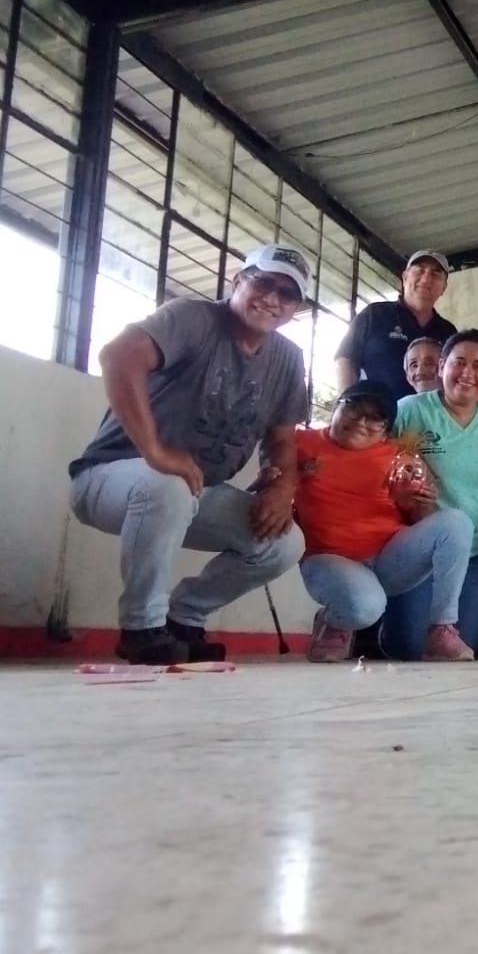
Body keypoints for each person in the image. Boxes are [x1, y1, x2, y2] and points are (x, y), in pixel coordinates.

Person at [68, 244, 311, 665]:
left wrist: (283, 485)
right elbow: (119, 355)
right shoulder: (193, 317)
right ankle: (142, 628)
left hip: (193, 491)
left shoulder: (288, 359)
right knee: (169, 484)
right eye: (263, 283)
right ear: (238, 280)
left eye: (288, 293)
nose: (273, 298)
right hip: (107, 479)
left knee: (284, 543)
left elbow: (282, 439)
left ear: (296, 308)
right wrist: (154, 451)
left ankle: (184, 619)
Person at [294, 382, 476, 663]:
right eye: (354, 409)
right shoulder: (301, 443)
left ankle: (441, 629)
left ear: (385, 429)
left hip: (390, 558)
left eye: (375, 418)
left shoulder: (400, 456)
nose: (361, 422)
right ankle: (336, 621)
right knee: (366, 608)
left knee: (457, 522)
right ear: (337, 406)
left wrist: (415, 503)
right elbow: (275, 485)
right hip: (328, 559)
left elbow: (422, 519)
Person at [391, 329, 478, 658]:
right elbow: (378, 466)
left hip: (476, 553)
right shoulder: (410, 411)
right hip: (420, 552)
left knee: (462, 649)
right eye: (459, 362)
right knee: (408, 647)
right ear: (442, 366)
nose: (467, 373)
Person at [335, 250, 456, 397]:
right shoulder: (374, 315)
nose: (426, 279)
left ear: (443, 287)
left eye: (435, 274)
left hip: (430, 412)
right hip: (378, 410)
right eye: (419, 271)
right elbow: (345, 359)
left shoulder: (448, 332)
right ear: (404, 278)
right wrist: (348, 402)